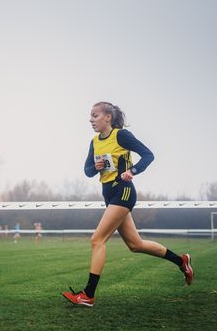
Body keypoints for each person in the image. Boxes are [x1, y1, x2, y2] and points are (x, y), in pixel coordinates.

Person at [62, 101, 194, 307]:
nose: (91, 119)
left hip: (123, 191)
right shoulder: (95, 142)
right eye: (90, 116)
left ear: (108, 117)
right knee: (136, 245)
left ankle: (88, 295)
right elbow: (87, 171)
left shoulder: (121, 135)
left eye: (95, 115)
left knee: (97, 240)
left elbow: (148, 155)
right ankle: (182, 262)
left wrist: (132, 171)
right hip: (109, 195)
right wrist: (95, 167)